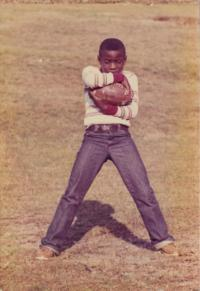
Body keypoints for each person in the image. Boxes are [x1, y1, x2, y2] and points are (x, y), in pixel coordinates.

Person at [37, 38, 178, 260]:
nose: (113, 66)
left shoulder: (131, 77)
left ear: (125, 60)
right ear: (99, 59)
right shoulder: (90, 72)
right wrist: (117, 83)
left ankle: (162, 239)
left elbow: (132, 111)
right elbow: (93, 80)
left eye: (118, 62)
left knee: (143, 191)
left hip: (121, 138)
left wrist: (108, 108)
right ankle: (51, 243)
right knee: (73, 194)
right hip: (94, 138)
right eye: (107, 61)